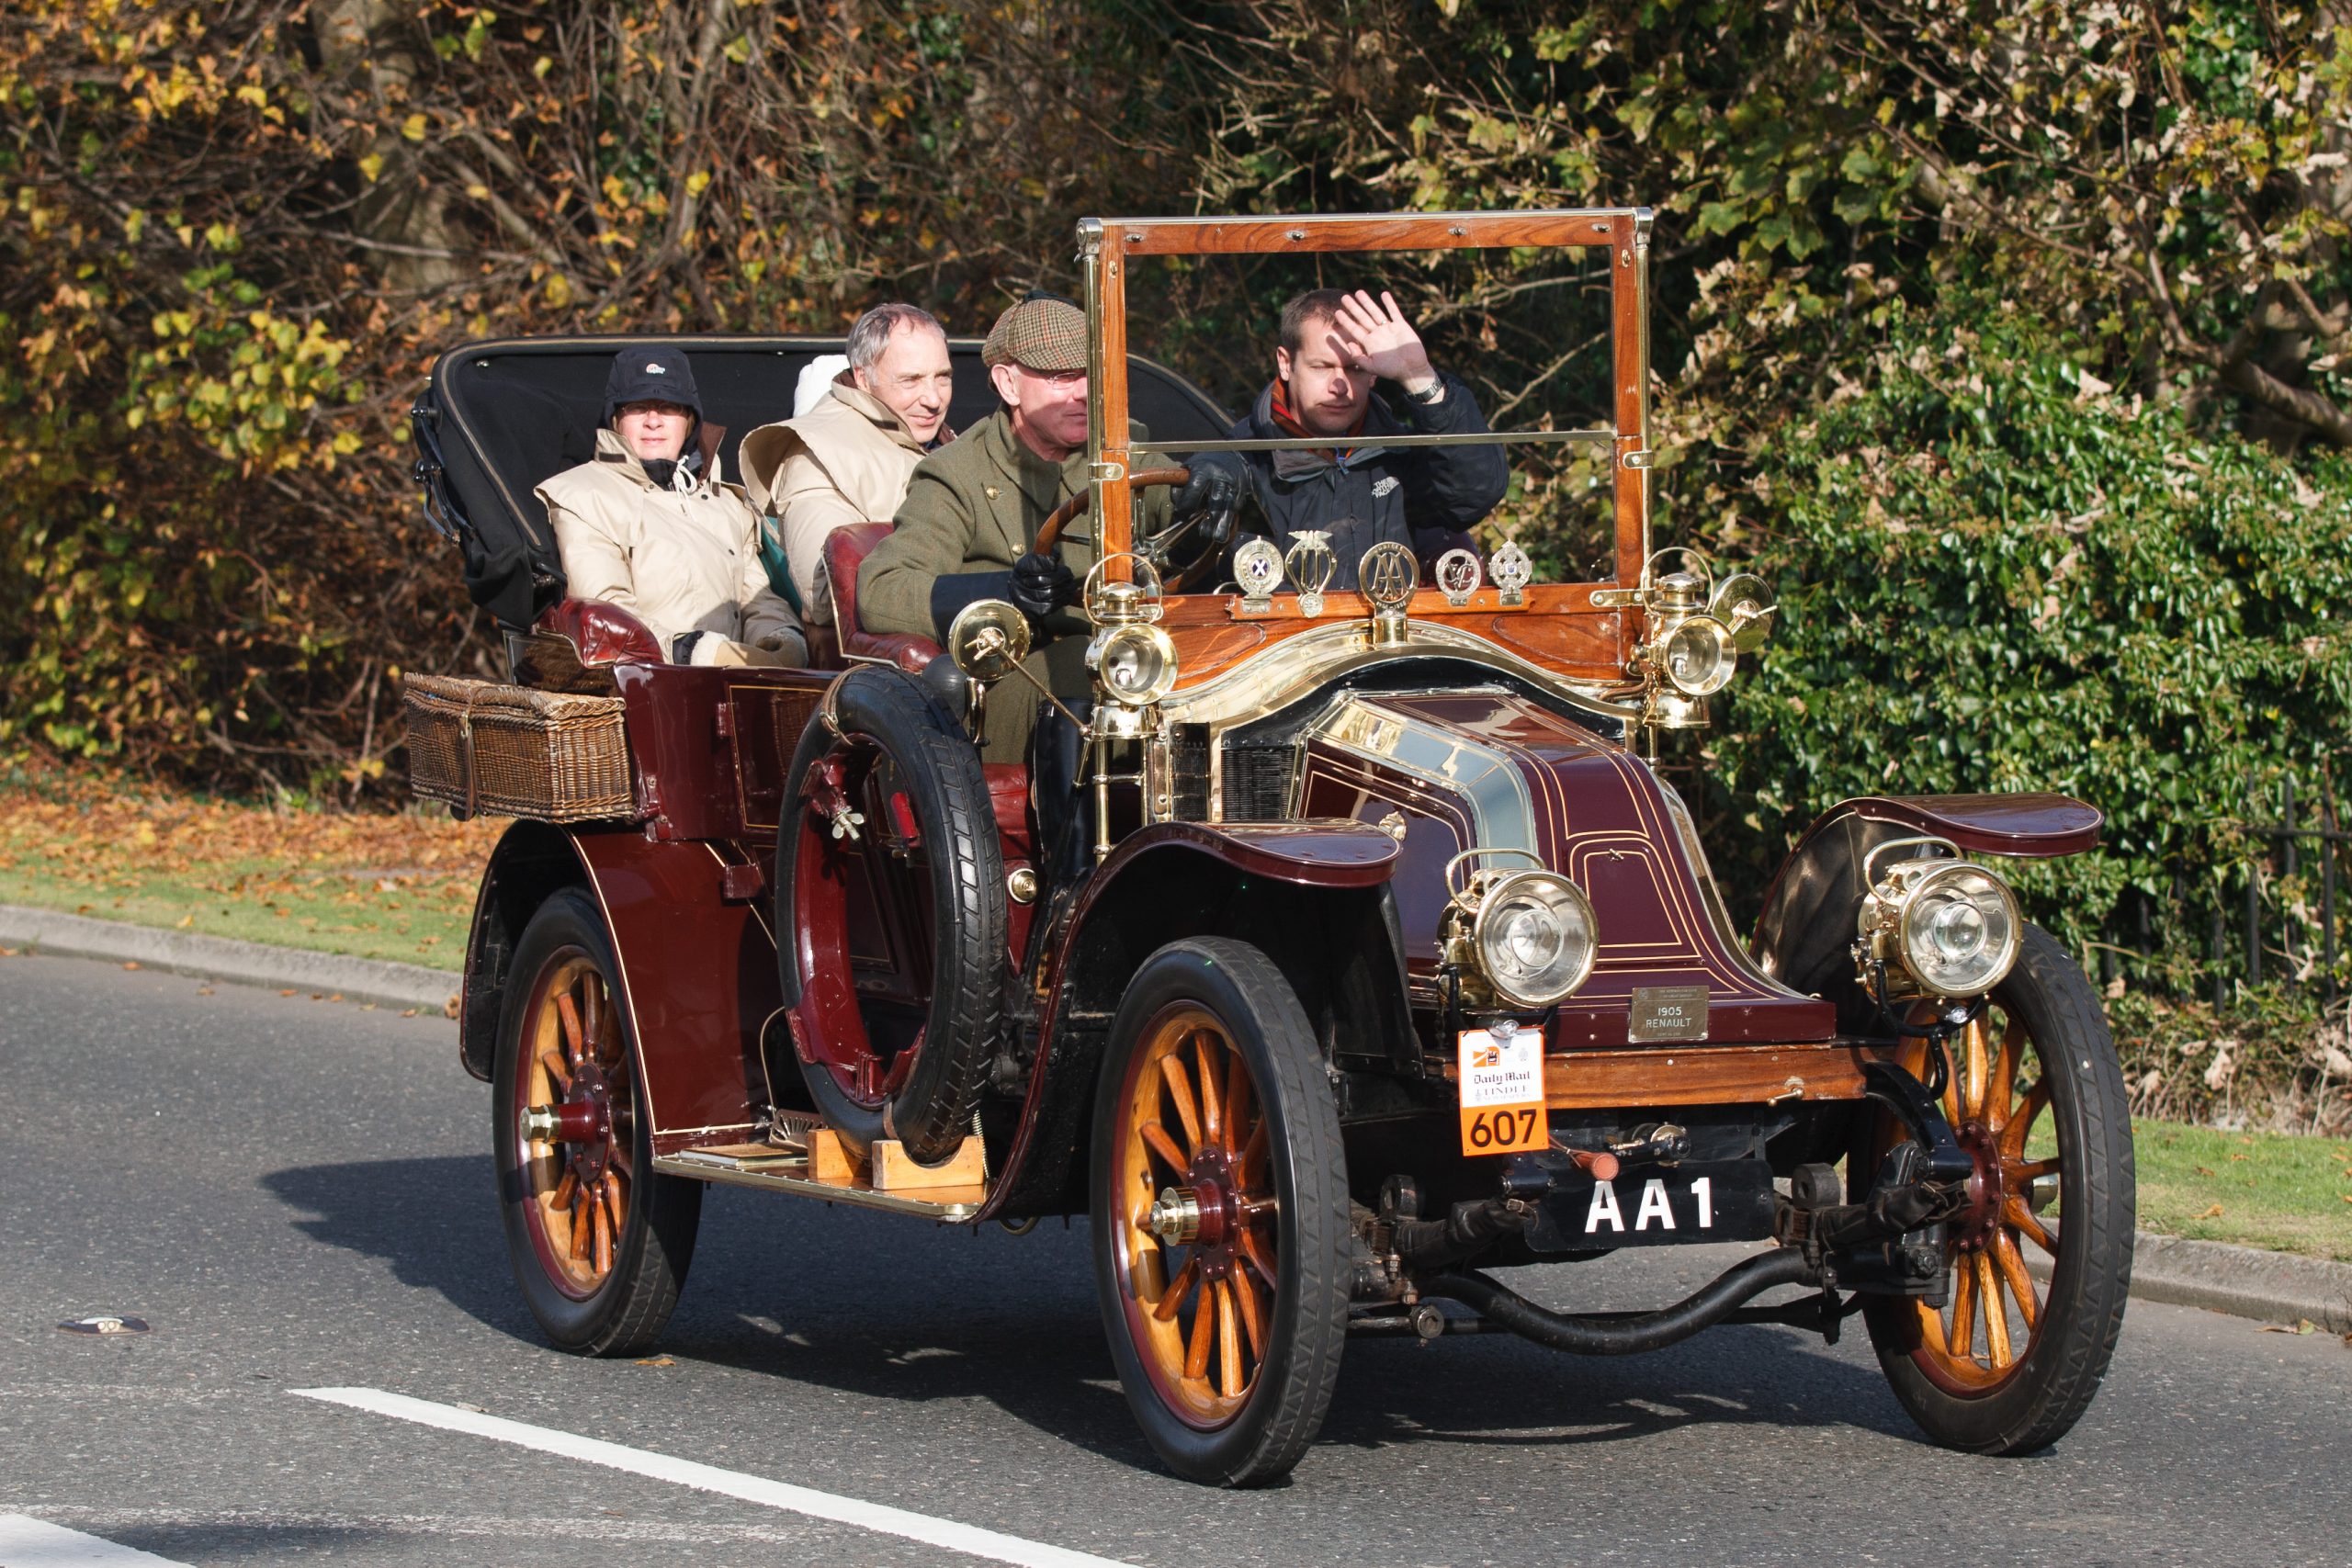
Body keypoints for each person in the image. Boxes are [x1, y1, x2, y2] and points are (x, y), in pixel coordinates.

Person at [857, 291, 1235, 762]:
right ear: (1008, 385)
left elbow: (1181, 507)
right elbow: (882, 590)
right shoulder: (958, 473)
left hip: (1128, 664)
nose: (1082, 393)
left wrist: (1219, 472)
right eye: (1060, 378)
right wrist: (1007, 594)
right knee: (1092, 675)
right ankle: (1083, 840)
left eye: (1089, 376)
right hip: (1019, 684)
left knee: (1221, 677)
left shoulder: (1120, 453)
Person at [1218, 287, 1508, 591]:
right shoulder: (1240, 459)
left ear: (1374, 373)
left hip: (1396, 635)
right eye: (1322, 367)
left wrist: (1419, 376)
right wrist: (1217, 466)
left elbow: (1474, 495)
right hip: (1288, 636)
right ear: (1285, 364)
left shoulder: (1401, 454)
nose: (1339, 385)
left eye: (1355, 368)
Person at [537, 346, 806, 666]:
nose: (653, 421)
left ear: (689, 420)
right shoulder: (580, 496)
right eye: (638, 407)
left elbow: (756, 598)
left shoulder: (728, 504)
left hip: (736, 690)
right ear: (616, 418)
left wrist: (780, 638)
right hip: (642, 690)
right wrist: (695, 651)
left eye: (669, 407)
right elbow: (607, 615)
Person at [738, 303, 957, 625]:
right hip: (897, 665)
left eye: (942, 377)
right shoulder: (815, 454)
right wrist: (967, 587)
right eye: (910, 380)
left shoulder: (948, 442)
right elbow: (829, 600)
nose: (933, 398)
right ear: (863, 379)